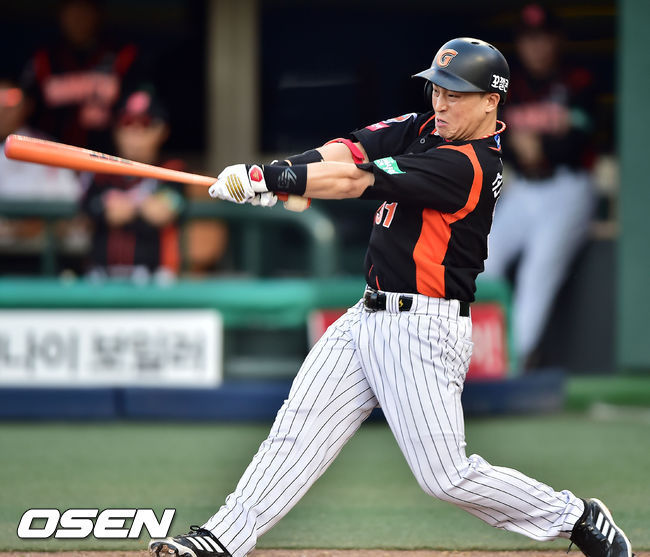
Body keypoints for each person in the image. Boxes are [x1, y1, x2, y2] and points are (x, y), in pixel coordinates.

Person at [148, 38, 632, 557]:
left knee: (446, 477)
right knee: (296, 433)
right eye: (437, 90)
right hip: (366, 314)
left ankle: (574, 516)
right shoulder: (424, 127)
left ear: (491, 101)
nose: (440, 103)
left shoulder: (470, 165)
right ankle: (221, 539)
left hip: (422, 329)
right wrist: (283, 173)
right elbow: (348, 150)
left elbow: (354, 180)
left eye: (455, 94)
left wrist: (270, 178)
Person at [482, 4, 597, 369]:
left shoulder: (578, 79)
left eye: (543, 37)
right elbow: (494, 142)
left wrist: (540, 147)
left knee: (537, 272)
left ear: (557, 39)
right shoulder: (509, 86)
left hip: (568, 187)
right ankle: (480, 355)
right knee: (483, 256)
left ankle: (514, 364)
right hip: (525, 189)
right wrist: (524, 148)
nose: (536, 46)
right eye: (529, 38)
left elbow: (582, 140)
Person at [80, 88, 184, 281]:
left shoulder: (172, 170)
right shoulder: (99, 171)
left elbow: (162, 211)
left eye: (144, 123)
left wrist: (129, 204)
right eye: (127, 122)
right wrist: (104, 207)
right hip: (102, 276)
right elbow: (86, 211)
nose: (134, 132)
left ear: (161, 131)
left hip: (153, 277)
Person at [21, 0, 143, 152]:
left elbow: (138, 107)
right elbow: (23, 107)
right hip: (48, 153)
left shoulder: (122, 56)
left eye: (84, 11)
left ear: (97, 14)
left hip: (105, 154)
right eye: (73, 11)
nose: (78, 18)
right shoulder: (44, 58)